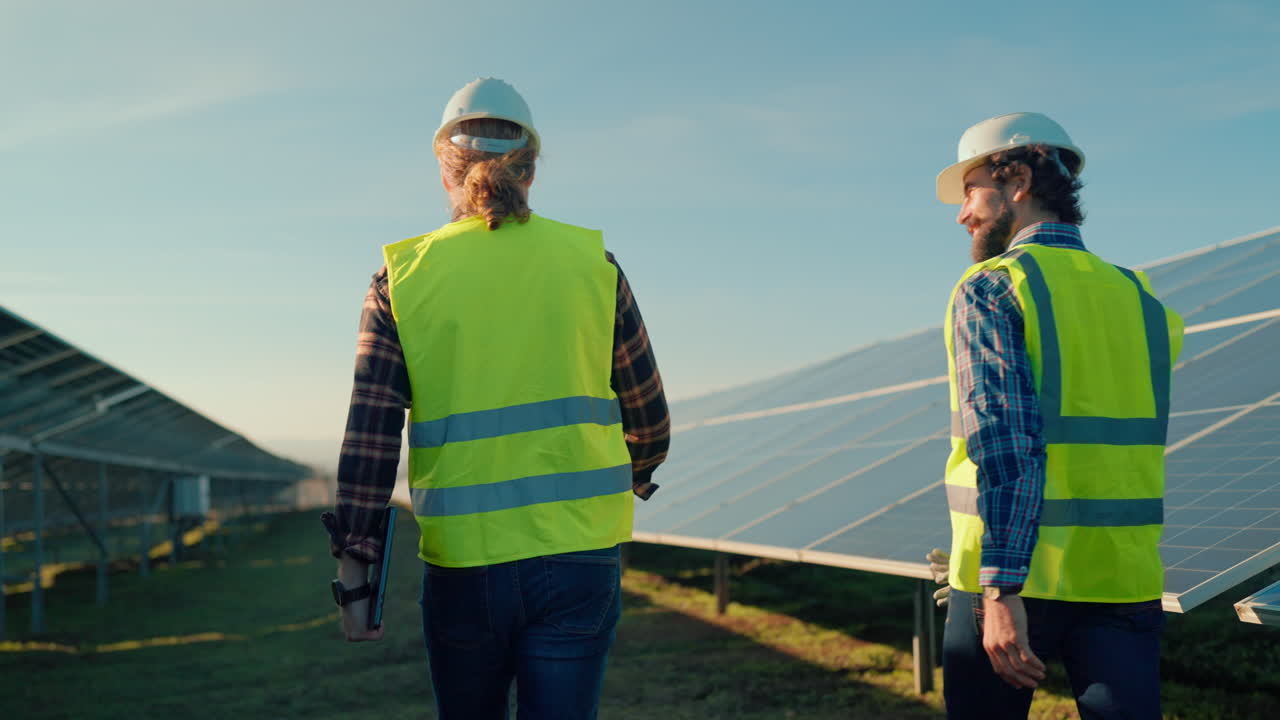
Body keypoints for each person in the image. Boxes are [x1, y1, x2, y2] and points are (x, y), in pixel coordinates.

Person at [321, 77, 670, 719]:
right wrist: (619, 481)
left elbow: (369, 441)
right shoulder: (596, 267)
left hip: (464, 567)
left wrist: (355, 579)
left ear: (444, 172)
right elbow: (649, 422)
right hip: (579, 560)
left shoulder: (400, 279)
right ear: (531, 170)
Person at [931, 112, 1184, 719]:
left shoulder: (993, 286)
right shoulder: (1142, 299)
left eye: (971, 192)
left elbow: (1005, 440)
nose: (963, 214)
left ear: (1017, 180)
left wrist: (999, 588)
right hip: (1123, 580)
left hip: (1019, 582)